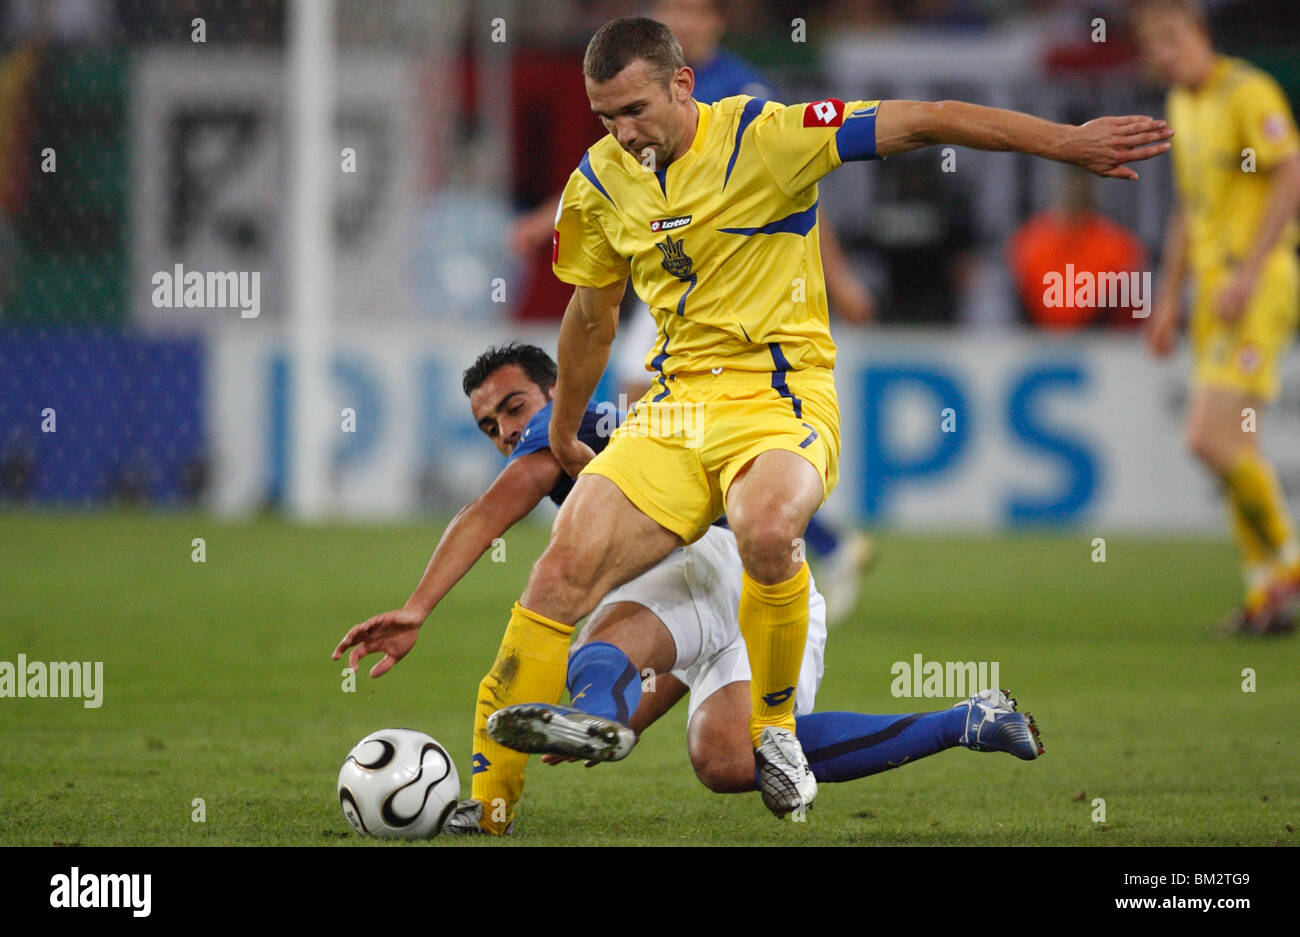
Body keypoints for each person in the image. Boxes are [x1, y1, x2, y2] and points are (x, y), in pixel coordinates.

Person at [356, 16, 1168, 834]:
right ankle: (490, 806)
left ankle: (776, 730)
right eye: (605, 117)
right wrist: (564, 425)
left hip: (780, 393)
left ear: (682, 85)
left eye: (634, 110)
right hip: (675, 408)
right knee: (560, 570)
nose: (621, 133)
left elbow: (926, 117)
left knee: (768, 524)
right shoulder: (600, 182)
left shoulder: (769, 132)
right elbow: (591, 316)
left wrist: (1065, 143)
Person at [333, 342, 1043, 835]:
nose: (508, 430)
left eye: (515, 407)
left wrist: (419, 606)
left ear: (559, 389)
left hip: (714, 559)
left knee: (589, 628)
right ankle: (969, 719)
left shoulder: (562, 429)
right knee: (731, 758)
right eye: (491, 425)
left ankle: (560, 734)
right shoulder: (625, 421)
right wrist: (626, 713)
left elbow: (488, 510)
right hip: (747, 587)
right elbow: (684, 634)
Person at [1135, 0, 1300, 635]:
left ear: (1200, 35)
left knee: (1207, 437)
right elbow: (1188, 209)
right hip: (1212, 294)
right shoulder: (1182, 106)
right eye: (1155, 48)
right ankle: (1267, 593)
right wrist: (1167, 297)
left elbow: (1289, 175)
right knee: (1237, 447)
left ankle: (1287, 563)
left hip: (1256, 286)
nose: (1166, 56)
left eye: (1174, 40)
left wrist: (1252, 270)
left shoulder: (1248, 90)